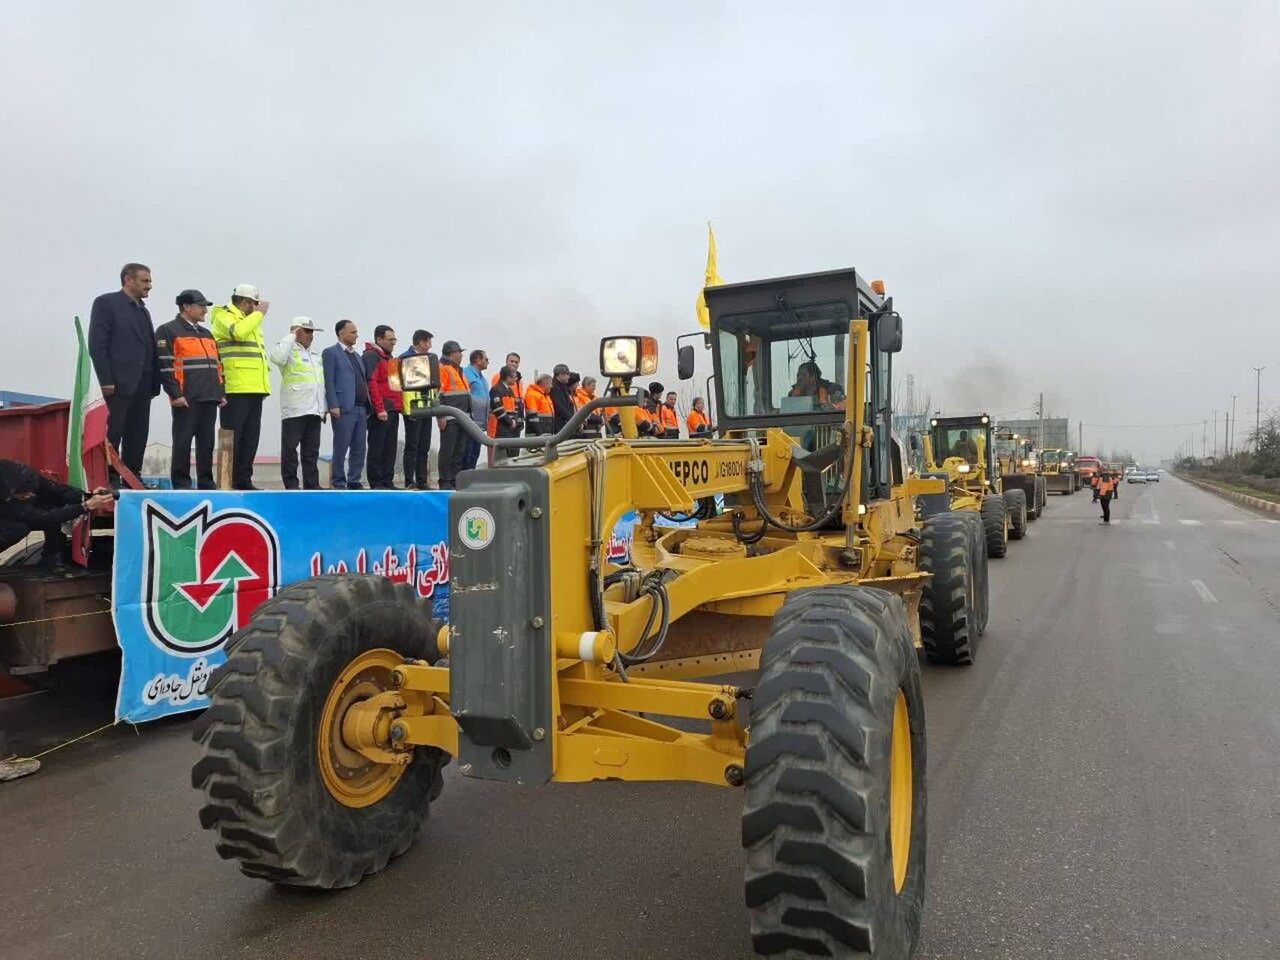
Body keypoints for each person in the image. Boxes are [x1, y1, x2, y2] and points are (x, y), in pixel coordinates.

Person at [88, 263, 161, 480]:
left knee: (138, 433)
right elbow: (97, 344)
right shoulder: (106, 303)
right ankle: (108, 476)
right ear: (129, 280)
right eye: (145, 281)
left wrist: (154, 383)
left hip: (143, 384)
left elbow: (148, 347)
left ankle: (132, 477)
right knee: (113, 431)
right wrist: (106, 379)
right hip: (118, 383)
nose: (150, 286)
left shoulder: (142, 311)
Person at [155, 289, 225, 489]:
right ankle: (181, 482)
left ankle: (205, 481)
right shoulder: (168, 330)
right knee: (183, 442)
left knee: (207, 444)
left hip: (209, 396)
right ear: (186, 307)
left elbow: (218, 365)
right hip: (186, 398)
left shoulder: (207, 333)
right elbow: (166, 365)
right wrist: (175, 394)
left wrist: (221, 392)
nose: (205, 310)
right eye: (201, 306)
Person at [211, 284, 271, 490]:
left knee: (250, 438)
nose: (258, 308)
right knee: (233, 438)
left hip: (254, 387)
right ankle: (227, 481)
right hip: (235, 387)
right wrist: (258, 315)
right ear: (246, 302)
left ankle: (244, 480)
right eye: (255, 304)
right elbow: (238, 333)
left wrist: (263, 385)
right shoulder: (223, 315)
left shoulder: (250, 320)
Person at [0, 460, 114, 567]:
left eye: (31, 492)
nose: (30, 495)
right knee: (17, 529)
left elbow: (59, 490)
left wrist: (88, 496)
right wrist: (86, 506)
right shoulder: (8, 497)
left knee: (49, 498)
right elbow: (45, 517)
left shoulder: (24, 476)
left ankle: (52, 556)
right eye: (24, 494)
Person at [269, 318, 326, 490]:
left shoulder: (316, 356)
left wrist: (324, 407)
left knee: (311, 451)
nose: (311, 335)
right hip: (295, 408)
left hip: (314, 409)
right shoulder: (287, 350)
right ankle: (291, 484)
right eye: (307, 331)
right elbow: (277, 358)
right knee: (290, 450)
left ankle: (312, 484)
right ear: (297, 331)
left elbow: (320, 384)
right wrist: (291, 336)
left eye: (312, 332)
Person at [322, 320, 370, 489]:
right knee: (341, 446)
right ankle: (338, 481)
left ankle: (354, 480)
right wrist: (333, 404)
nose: (356, 335)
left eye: (356, 332)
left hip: (361, 407)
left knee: (359, 447)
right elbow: (329, 380)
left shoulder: (357, 356)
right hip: (343, 408)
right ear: (341, 334)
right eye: (352, 332)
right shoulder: (331, 353)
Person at [361, 325, 402, 488]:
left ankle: (387, 480)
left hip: (393, 408)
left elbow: (395, 385)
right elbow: (372, 383)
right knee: (377, 446)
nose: (393, 343)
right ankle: (376, 481)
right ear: (379, 339)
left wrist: (400, 406)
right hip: (381, 410)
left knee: (390, 447)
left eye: (394, 339)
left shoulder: (390, 358)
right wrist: (379, 408)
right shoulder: (372, 356)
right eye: (390, 339)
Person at [400, 330, 436, 489]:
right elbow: (399, 386)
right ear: (420, 342)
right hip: (412, 409)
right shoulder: (405, 359)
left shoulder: (429, 360)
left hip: (427, 408)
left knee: (424, 447)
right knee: (412, 446)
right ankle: (409, 481)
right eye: (428, 342)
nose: (430, 346)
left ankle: (422, 480)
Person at [436, 341, 472, 490]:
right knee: (448, 451)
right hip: (450, 418)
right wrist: (441, 416)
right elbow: (438, 394)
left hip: (463, 417)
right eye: (459, 352)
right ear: (451, 354)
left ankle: (454, 480)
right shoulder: (442, 369)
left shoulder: (458, 370)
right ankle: (445, 481)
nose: (461, 355)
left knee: (459, 452)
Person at [463, 349, 490, 471]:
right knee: (466, 453)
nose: (488, 362)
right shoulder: (466, 373)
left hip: (480, 424)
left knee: (475, 453)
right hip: (470, 422)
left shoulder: (482, 378)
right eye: (486, 359)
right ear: (477, 360)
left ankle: (470, 477)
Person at [489, 365, 523, 459]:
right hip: (501, 429)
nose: (515, 379)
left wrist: (515, 421)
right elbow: (497, 409)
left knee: (512, 454)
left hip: (511, 428)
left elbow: (514, 408)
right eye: (514, 377)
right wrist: (509, 422)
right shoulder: (496, 389)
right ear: (508, 377)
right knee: (503, 455)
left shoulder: (510, 390)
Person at [550, 364, 577, 433]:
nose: (568, 377)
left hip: (565, 423)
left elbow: (569, 405)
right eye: (567, 374)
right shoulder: (554, 388)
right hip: (559, 425)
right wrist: (572, 419)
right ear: (560, 375)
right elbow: (559, 407)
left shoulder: (564, 388)